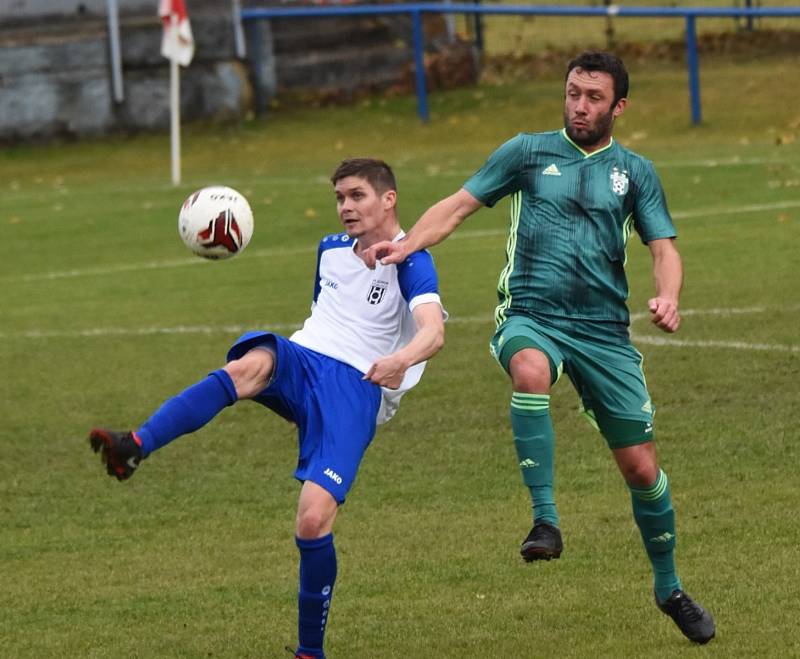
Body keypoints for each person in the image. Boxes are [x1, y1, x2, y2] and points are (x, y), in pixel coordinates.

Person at [364, 51, 715, 644]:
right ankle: (545, 522)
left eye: (594, 97)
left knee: (642, 468)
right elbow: (458, 205)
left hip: (604, 332)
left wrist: (669, 296)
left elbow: (663, 247)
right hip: (531, 313)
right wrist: (406, 244)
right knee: (528, 370)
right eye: (573, 93)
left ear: (618, 106)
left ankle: (669, 586)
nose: (580, 106)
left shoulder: (636, 171)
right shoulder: (527, 151)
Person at [88, 158, 446, 659]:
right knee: (247, 366)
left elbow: (434, 331)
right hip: (305, 360)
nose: (345, 206)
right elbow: (323, 314)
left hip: (357, 385)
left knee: (312, 521)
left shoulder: (412, 260)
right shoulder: (330, 250)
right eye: (340, 197)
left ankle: (309, 652)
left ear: (389, 199)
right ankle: (136, 445)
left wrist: (400, 360)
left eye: (357, 195)